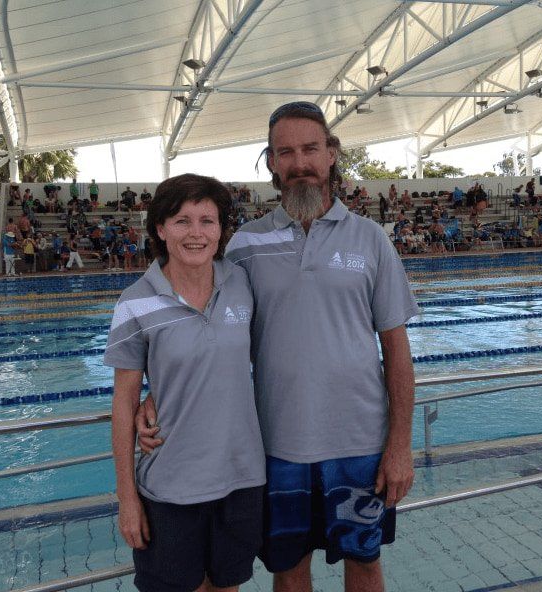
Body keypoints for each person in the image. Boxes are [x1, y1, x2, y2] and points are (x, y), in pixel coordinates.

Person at [138, 101, 417, 592]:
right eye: (285, 152)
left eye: (310, 148)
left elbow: (396, 350)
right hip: (275, 446)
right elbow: (214, 331)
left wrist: (399, 446)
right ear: (271, 163)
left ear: (331, 154)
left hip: (361, 444)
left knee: (365, 563)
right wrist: (158, 392)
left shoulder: (371, 240)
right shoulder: (244, 245)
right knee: (288, 571)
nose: (299, 162)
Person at [105, 174, 265, 592]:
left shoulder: (241, 283)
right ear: (160, 228)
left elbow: (234, 358)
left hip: (241, 477)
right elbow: (122, 403)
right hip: (171, 485)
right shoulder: (134, 301)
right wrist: (127, 498)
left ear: (221, 230)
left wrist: (159, 393)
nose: (196, 233)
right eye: (182, 220)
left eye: (207, 221)